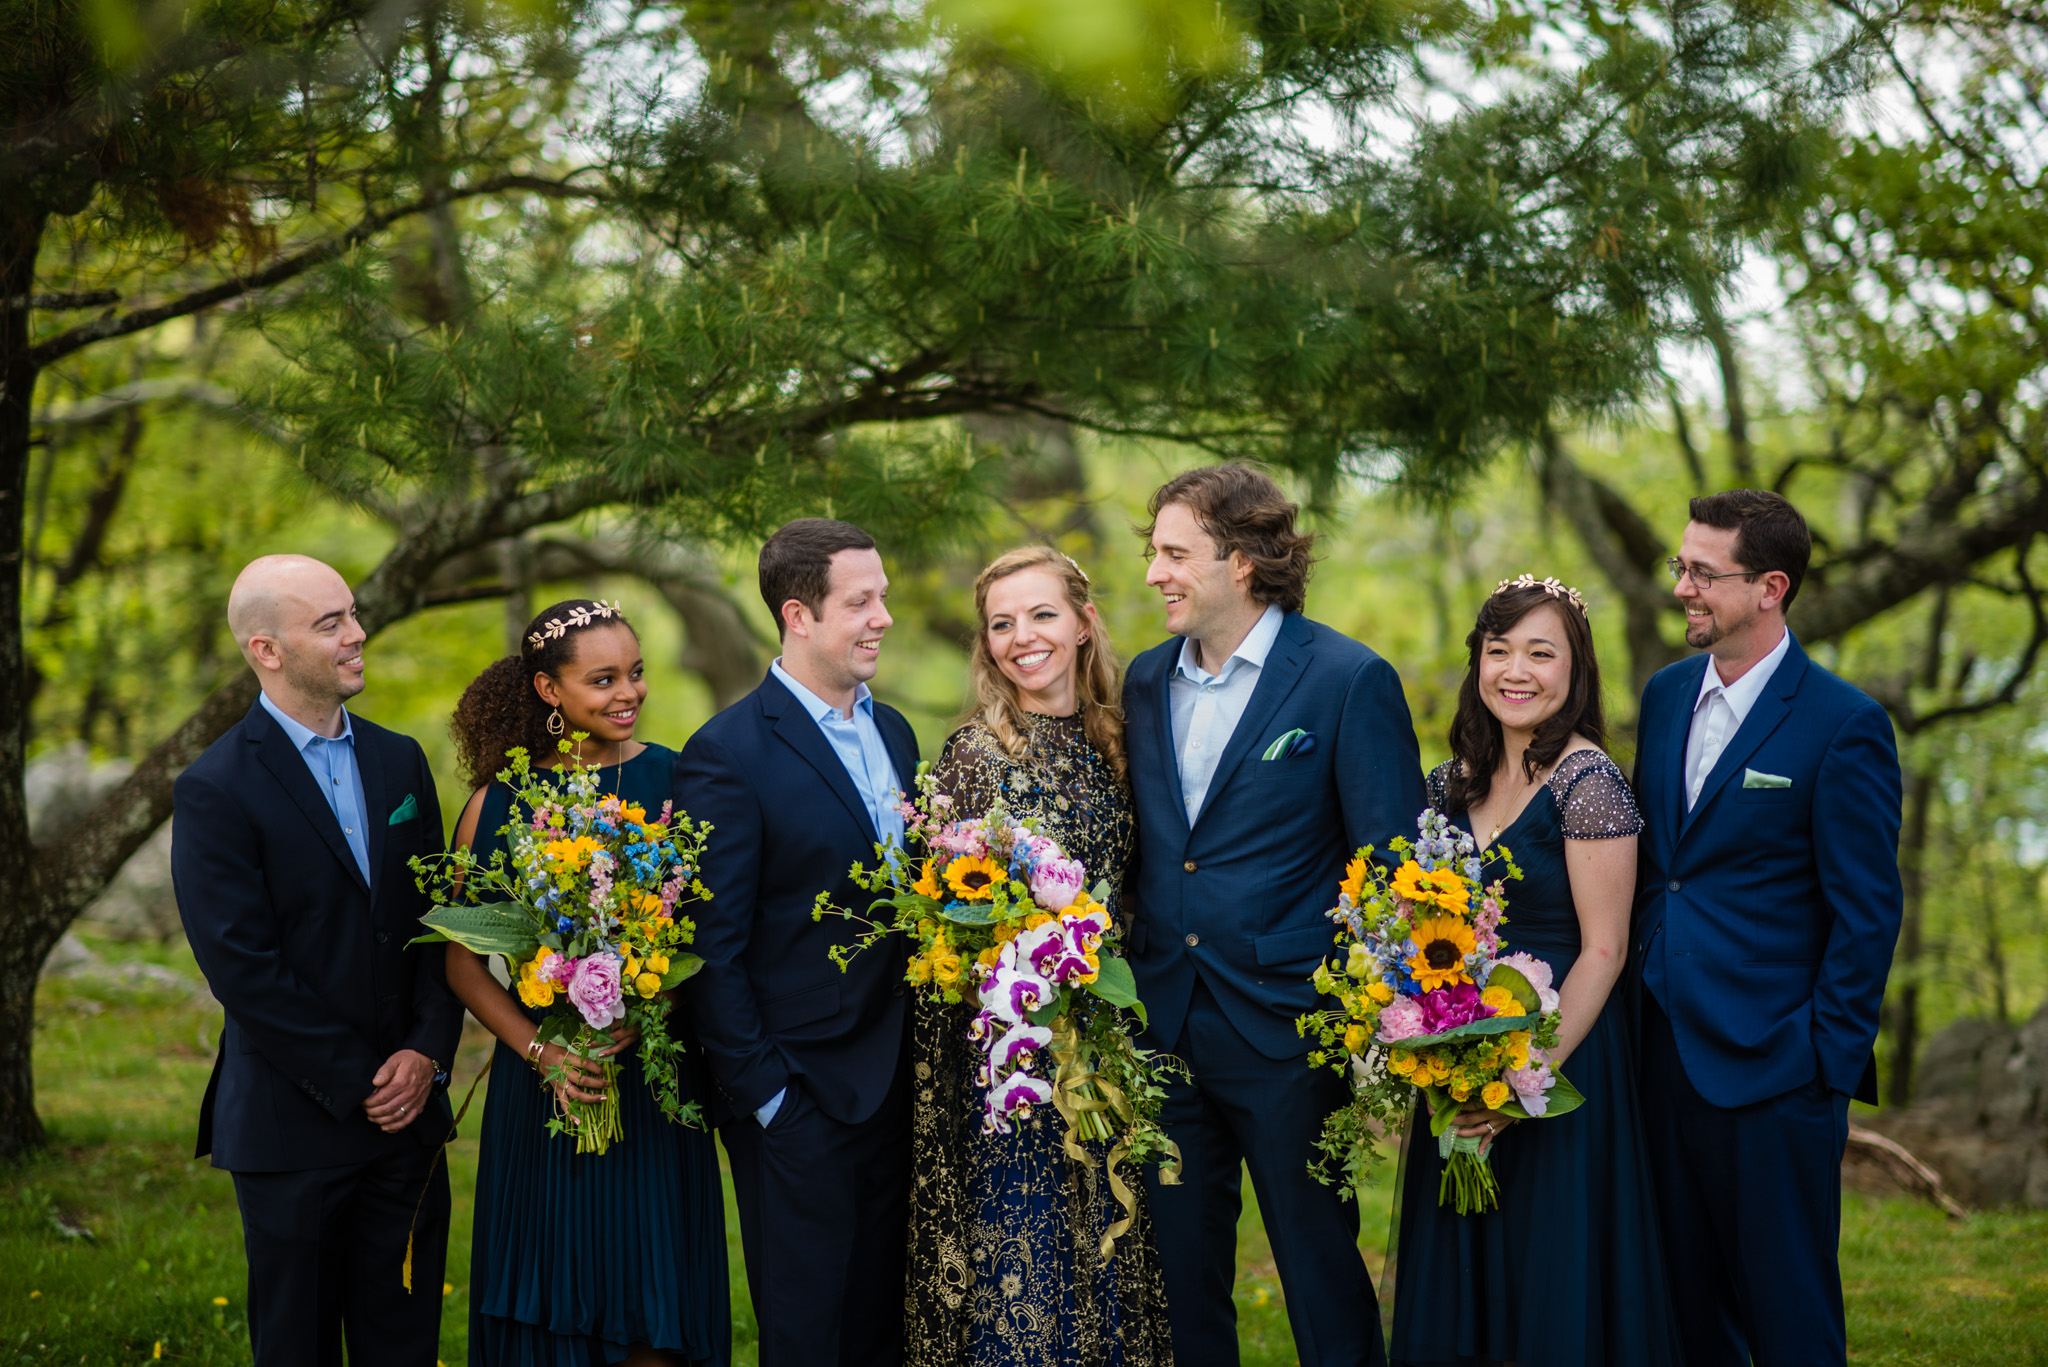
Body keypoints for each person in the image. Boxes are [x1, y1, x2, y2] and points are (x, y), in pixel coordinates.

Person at [1123, 465, 1426, 1367]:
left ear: (1245, 561)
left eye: (1176, 553)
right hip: (1163, 1023)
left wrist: (1381, 1022)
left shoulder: (1346, 678)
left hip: (1291, 1027)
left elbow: (1393, 867)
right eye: (1154, 553)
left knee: (1321, 1270)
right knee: (1177, 1278)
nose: (1155, 573)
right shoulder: (1142, 682)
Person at [1634, 490, 1903, 1367]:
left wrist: (1822, 1062)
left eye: (1704, 573)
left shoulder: (1844, 725)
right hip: (1661, 1057)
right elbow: (1658, 868)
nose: (1682, 587)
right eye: (1682, 566)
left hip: (1777, 1072)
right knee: (1686, 1312)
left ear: (1770, 587)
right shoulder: (1667, 695)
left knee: (1790, 1319)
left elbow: (1868, 912)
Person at [171, 554, 461, 1366]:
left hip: (408, 1125)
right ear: (267, 649)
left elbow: (437, 925)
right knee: (296, 1346)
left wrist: (427, 1053)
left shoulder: (401, 761)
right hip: (290, 1127)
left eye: (353, 614)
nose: (357, 633)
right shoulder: (214, 787)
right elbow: (242, 967)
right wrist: (366, 1080)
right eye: (329, 622)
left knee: (402, 1344)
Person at [1387, 575, 1677, 1366]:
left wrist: (1526, 1083)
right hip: (1459, 1059)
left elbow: (1605, 950)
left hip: (1561, 1063)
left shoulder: (1590, 784)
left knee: (1550, 1271)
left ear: (1575, 670)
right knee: (1464, 1270)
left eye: (1540, 653)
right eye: (1498, 649)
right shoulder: (1450, 783)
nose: (1516, 669)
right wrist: (1436, 1047)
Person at [444, 598, 730, 1366]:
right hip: (543, 1083)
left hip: (649, 1078)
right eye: (603, 678)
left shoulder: (680, 780)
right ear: (549, 692)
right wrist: (546, 1051)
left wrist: (650, 999)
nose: (628, 692)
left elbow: (709, 934)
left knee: (653, 1305)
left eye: (636, 672)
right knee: (550, 1321)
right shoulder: (494, 804)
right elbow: (461, 961)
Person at [908, 546, 1174, 1367]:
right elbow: (945, 914)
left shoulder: (1122, 744)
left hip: (1107, 1037)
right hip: (1012, 1052)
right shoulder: (976, 754)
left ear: (1086, 623)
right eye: (1001, 623)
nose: (1022, 637)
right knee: (1026, 1249)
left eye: (1043, 614)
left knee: (1107, 1239)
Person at [674, 518, 921, 1367]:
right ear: (798, 615)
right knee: (806, 1328)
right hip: (800, 1094)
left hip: (900, 1081)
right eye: (861, 601)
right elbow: (713, 948)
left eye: (882, 595)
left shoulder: (896, 735)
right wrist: (769, 1096)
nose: (883, 615)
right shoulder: (727, 754)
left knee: (882, 1322)